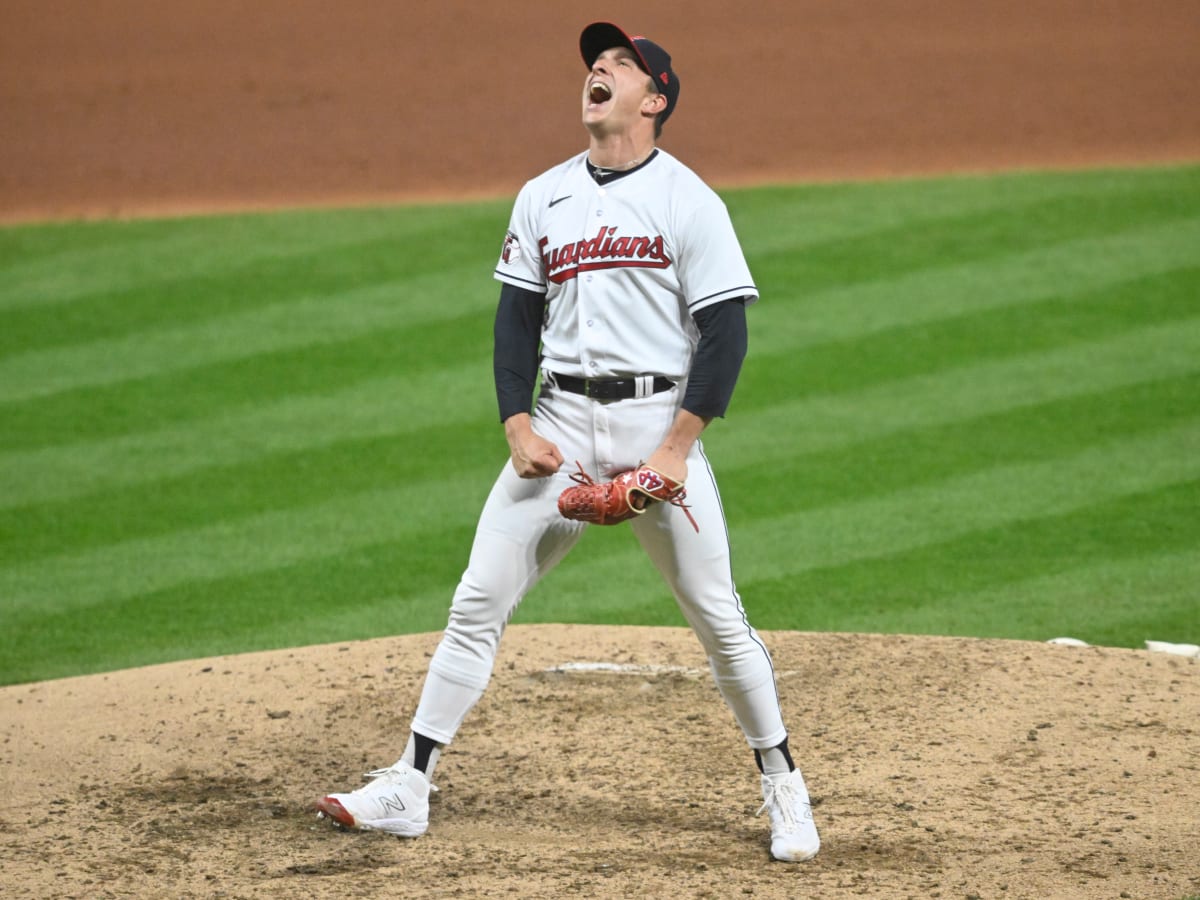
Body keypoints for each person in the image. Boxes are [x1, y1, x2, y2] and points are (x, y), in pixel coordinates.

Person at [315, 21, 820, 863]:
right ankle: (410, 782)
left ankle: (784, 784)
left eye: (622, 65)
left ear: (654, 99)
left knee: (717, 617)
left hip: (657, 428)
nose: (601, 69)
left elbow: (724, 335)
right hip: (560, 429)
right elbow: (515, 323)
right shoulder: (542, 195)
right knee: (477, 599)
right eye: (597, 61)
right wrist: (518, 425)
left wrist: (674, 452)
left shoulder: (688, 200)